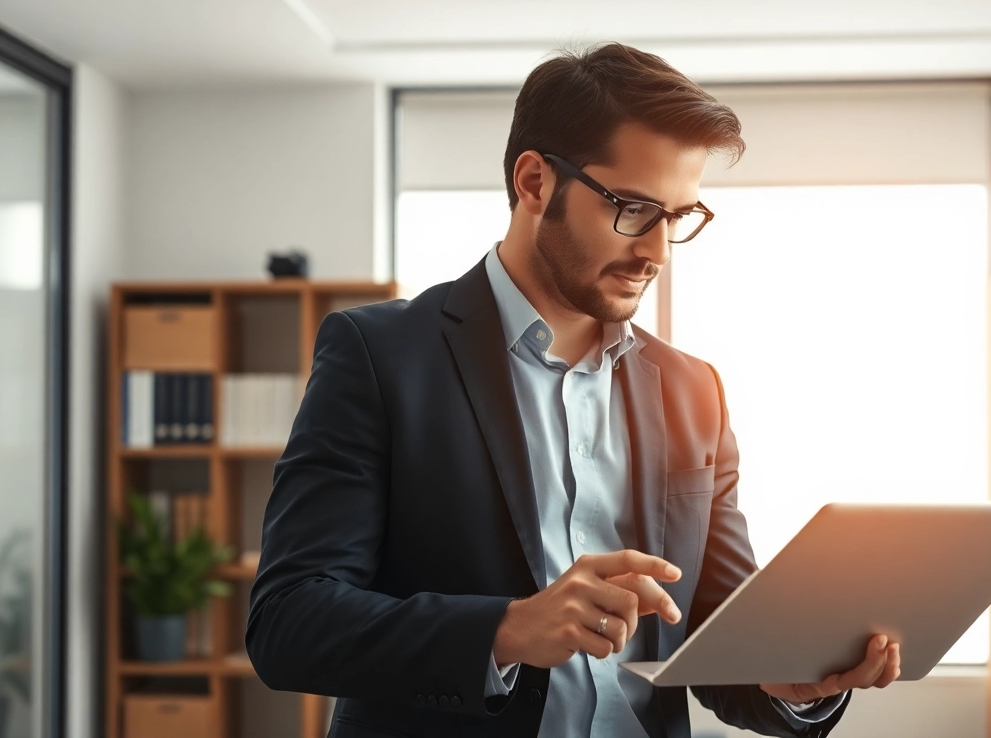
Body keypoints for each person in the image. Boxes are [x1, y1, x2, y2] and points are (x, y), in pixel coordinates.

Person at [246, 42, 900, 738]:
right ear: (534, 182)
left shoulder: (694, 390)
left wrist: (790, 681)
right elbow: (290, 620)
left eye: (677, 219)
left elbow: (715, 638)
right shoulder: (380, 356)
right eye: (634, 210)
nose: (655, 253)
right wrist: (506, 630)